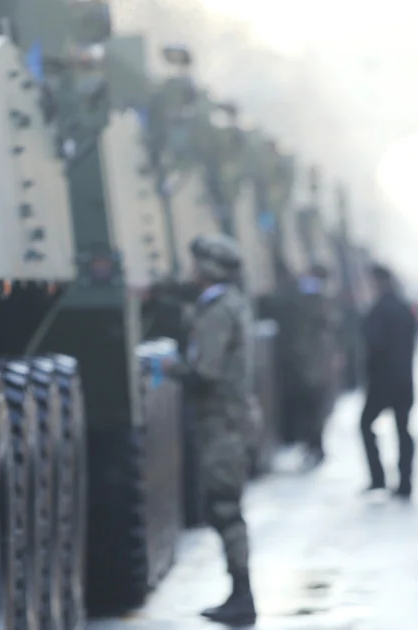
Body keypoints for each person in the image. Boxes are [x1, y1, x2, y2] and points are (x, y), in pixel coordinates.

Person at [175, 233, 258, 626]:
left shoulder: (218, 310)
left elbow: (204, 372)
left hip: (222, 422)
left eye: (196, 264)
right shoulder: (226, 305)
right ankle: (239, 595)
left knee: (225, 509)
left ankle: (242, 598)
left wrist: (168, 368)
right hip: (229, 419)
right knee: (225, 507)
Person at [359, 264, 418, 499]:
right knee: (403, 430)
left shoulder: (379, 310)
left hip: (383, 381)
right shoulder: (404, 309)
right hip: (404, 380)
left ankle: (378, 477)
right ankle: (405, 481)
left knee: (365, 425)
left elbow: (374, 345)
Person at [287, 262, 335, 468]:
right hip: (314, 363)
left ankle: (314, 446)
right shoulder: (321, 299)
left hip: (310, 364)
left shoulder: (311, 299)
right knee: (314, 408)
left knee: (311, 408)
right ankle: (314, 445)